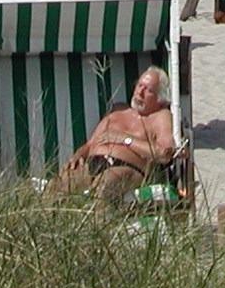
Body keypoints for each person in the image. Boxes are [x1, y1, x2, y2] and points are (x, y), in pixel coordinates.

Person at [48, 65, 178, 202]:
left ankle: (99, 214)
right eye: (140, 85)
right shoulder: (118, 109)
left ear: (160, 99)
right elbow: (91, 143)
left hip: (125, 167)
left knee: (104, 187)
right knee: (56, 187)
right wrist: (78, 155)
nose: (140, 92)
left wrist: (125, 139)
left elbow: (164, 154)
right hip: (93, 162)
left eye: (148, 90)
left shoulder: (160, 116)